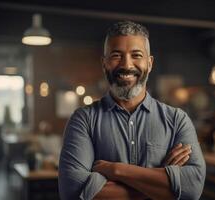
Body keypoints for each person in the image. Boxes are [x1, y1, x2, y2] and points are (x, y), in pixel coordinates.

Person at [59, 21, 206, 200]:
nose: (126, 65)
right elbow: (72, 192)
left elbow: (192, 189)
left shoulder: (177, 120)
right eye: (116, 55)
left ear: (149, 63)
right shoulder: (83, 119)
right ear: (104, 63)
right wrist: (160, 181)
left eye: (136, 55)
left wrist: (116, 170)